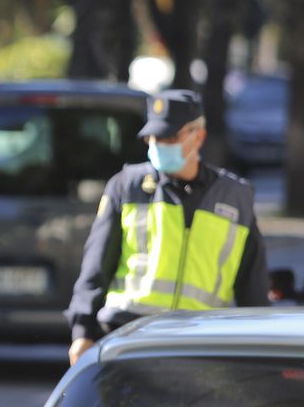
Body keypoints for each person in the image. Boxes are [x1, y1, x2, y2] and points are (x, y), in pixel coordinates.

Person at [65, 89, 270, 367]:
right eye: (153, 137)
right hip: (129, 336)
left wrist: (259, 346)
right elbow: (96, 266)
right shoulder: (127, 186)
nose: (159, 144)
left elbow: (252, 285)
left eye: (169, 137)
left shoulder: (235, 197)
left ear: (198, 136)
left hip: (201, 344)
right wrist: (82, 331)